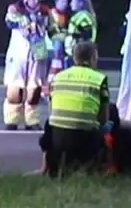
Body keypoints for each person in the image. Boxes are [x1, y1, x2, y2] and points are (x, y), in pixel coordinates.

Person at [40, 41, 111, 177]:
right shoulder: (99, 79)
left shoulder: (58, 77)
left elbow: (52, 111)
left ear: (74, 58)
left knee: (50, 123)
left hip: (57, 140)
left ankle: (46, 166)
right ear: (93, 58)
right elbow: (104, 118)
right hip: (84, 140)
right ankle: (104, 165)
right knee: (111, 122)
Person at [2, 0, 50, 129]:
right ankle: (12, 119)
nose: (36, 2)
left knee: (34, 89)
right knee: (15, 89)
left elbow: (53, 27)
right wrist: (26, 23)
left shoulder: (45, 12)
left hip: (37, 54)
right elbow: (10, 22)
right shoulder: (15, 11)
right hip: (18, 54)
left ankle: (32, 120)